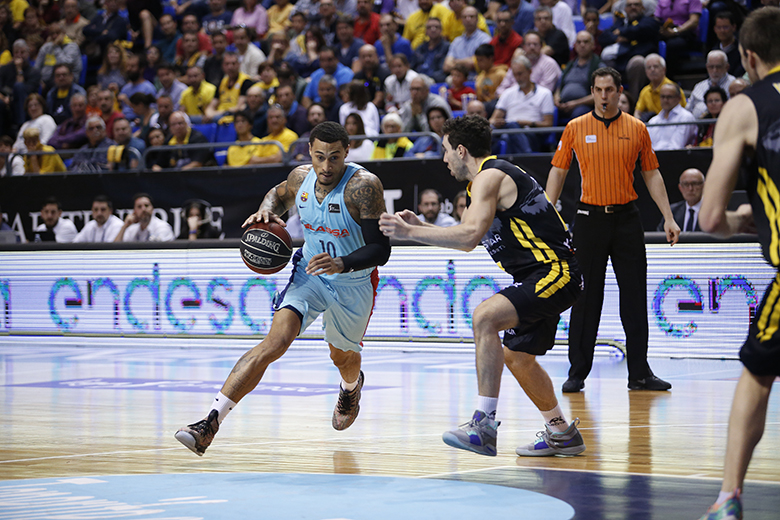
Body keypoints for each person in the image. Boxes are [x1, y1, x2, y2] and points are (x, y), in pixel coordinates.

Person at [175, 121, 391, 456]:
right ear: (310, 152)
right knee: (274, 343)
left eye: (335, 157)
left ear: (347, 153)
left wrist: (341, 263)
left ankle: (351, 386)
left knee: (342, 356)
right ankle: (209, 423)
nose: (327, 166)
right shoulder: (299, 178)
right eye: (320, 157)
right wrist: (267, 210)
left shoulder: (364, 187)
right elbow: (276, 197)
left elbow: (381, 250)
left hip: (353, 282)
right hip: (308, 274)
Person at [379, 114, 585, 458]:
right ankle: (562, 433)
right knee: (518, 358)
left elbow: (468, 238)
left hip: (555, 271)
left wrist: (409, 233)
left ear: (461, 150)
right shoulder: (486, 182)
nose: (443, 159)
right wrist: (424, 226)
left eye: (446, 151)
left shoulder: (489, 176)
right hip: (540, 275)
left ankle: (484, 425)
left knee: (484, 317)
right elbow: (464, 235)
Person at [545, 67, 679, 393]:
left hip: (626, 219)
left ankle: (640, 373)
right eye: (599, 90)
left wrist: (669, 217)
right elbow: (558, 171)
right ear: (592, 91)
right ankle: (577, 372)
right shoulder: (575, 127)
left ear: (620, 92)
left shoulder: (637, 128)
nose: (604, 96)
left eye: (610, 90)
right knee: (586, 297)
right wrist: (548, 214)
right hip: (589, 220)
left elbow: (652, 174)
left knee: (634, 296)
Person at [697, 8, 780, 519]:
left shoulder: (746, 106)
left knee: (756, 371)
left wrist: (740, 218)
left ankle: (729, 496)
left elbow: (708, 216)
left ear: (747, 57)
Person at [490, 54, 554, 153]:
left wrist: (524, 123)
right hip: (508, 130)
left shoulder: (544, 93)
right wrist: (497, 123)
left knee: (510, 132)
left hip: (531, 133)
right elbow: (493, 119)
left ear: (530, 71)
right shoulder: (508, 93)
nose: (518, 78)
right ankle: (527, 158)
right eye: (515, 74)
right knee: (508, 130)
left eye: (520, 74)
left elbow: (548, 124)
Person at [556, 31, 604, 121]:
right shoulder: (569, 65)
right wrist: (557, 99)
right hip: (564, 105)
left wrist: (575, 103)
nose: (582, 45)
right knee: (548, 111)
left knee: (579, 113)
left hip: (584, 106)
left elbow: (600, 95)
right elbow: (559, 87)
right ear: (575, 45)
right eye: (579, 42)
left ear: (593, 45)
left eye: (586, 42)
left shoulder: (598, 66)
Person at [633, 53, 686, 122]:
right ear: (646, 72)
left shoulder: (673, 89)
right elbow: (638, 112)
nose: (652, 70)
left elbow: (682, 111)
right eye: (649, 67)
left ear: (664, 69)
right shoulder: (645, 91)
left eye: (656, 66)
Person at [443, 7, 492, 75]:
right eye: (464, 17)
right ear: (461, 20)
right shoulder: (456, 41)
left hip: (477, 76)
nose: (468, 19)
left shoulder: (485, 39)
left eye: (471, 17)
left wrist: (456, 62)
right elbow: (447, 66)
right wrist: (466, 62)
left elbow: (478, 63)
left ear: (477, 19)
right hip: (457, 78)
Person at [687, 50, 735, 119]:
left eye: (718, 67)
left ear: (726, 67)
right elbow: (689, 110)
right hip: (700, 127)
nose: (714, 71)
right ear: (707, 67)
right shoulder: (699, 86)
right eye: (711, 67)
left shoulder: (734, 85)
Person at [647, 83, 696, 150]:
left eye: (669, 97)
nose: (665, 100)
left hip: (676, 158)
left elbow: (677, 146)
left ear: (679, 98)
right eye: (662, 97)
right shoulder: (653, 121)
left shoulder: (686, 117)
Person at [656, 168, 704, 232]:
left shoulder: (714, 210)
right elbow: (659, 237)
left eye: (695, 183)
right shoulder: (672, 212)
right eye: (686, 184)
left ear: (704, 186)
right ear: (680, 188)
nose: (690, 189)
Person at [410, 16, 449, 84]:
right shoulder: (420, 48)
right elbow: (413, 66)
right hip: (418, 78)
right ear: (426, 31)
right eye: (429, 27)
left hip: (435, 80)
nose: (433, 30)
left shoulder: (446, 47)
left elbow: (443, 71)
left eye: (436, 27)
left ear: (441, 30)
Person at [712, 10, 744, 78]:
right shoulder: (713, 51)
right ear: (715, 29)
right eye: (719, 28)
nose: (722, 31)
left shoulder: (742, 50)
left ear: (734, 27)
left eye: (725, 27)